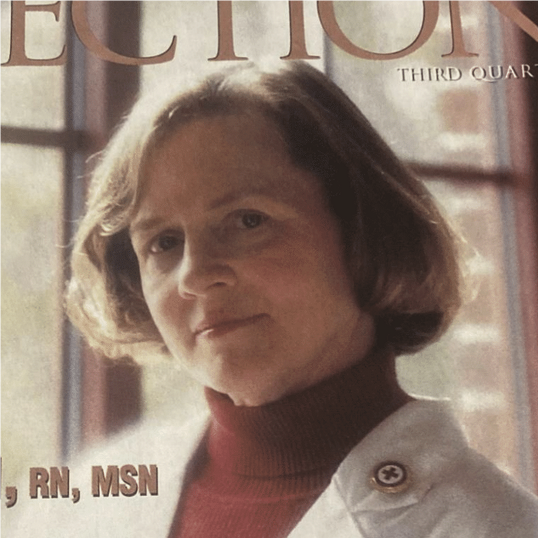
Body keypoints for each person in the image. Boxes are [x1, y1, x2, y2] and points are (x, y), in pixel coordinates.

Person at [12, 62, 538, 537]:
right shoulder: (74, 510)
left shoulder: (493, 526)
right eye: (164, 243)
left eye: (248, 221)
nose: (196, 275)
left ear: (362, 231)